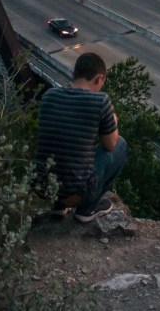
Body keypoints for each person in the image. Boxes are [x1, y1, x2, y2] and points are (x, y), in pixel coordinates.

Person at [33, 52, 128, 223]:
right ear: (99, 79)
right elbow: (110, 145)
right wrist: (112, 121)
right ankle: (87, 209)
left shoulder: (49, 96)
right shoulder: (100, 101)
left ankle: (59, 207)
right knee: (121, 144)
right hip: (77, 193)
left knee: (63, 146)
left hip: (43, 188)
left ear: (73, 74)